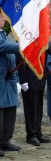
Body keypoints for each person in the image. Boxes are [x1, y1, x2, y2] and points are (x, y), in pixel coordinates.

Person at [16, 48, 51, 145]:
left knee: (38, 108)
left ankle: (38, 132)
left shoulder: (39, 39)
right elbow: (20, 59)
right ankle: (31, 135)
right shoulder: (25, 35)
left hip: (40, 77)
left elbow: (47, 48)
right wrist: (22, 79)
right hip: (28, 78)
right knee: (31, 108)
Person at [0, 12, 21, 156]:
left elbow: (12, 58)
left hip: (9, 79)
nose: (4, 19)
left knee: (10, 111)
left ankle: (6, 141)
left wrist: (17, 80)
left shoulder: (4, 34)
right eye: (1, 17)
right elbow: (4, 47)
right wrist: (25, 44)